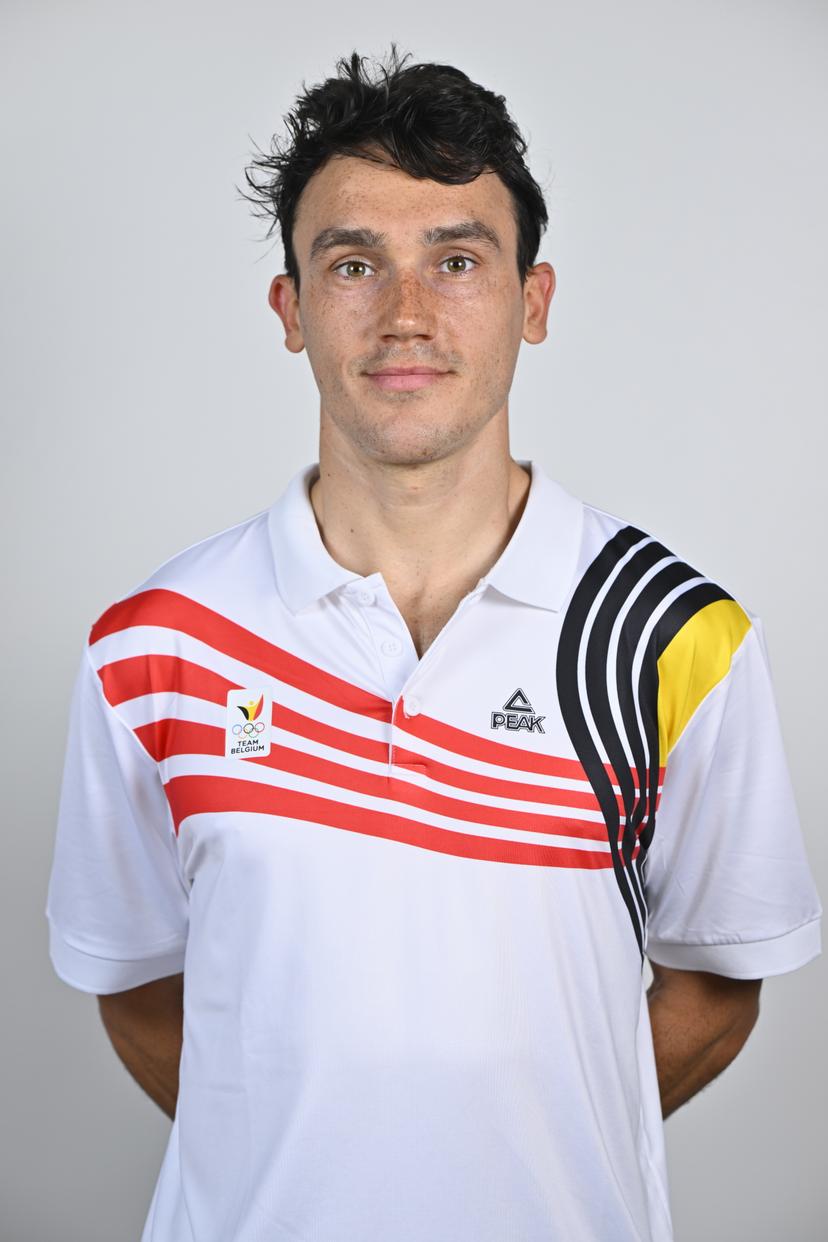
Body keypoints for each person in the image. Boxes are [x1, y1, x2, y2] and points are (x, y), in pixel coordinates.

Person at [46, 45, 821, 1242]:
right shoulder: (152, 647)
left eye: (457, 260)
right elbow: (139, 989)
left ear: (534, 299)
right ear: (291, 310)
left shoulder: (678, 637)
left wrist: (515, 1148)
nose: (406, 313)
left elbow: (719, 988)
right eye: (353, 264)